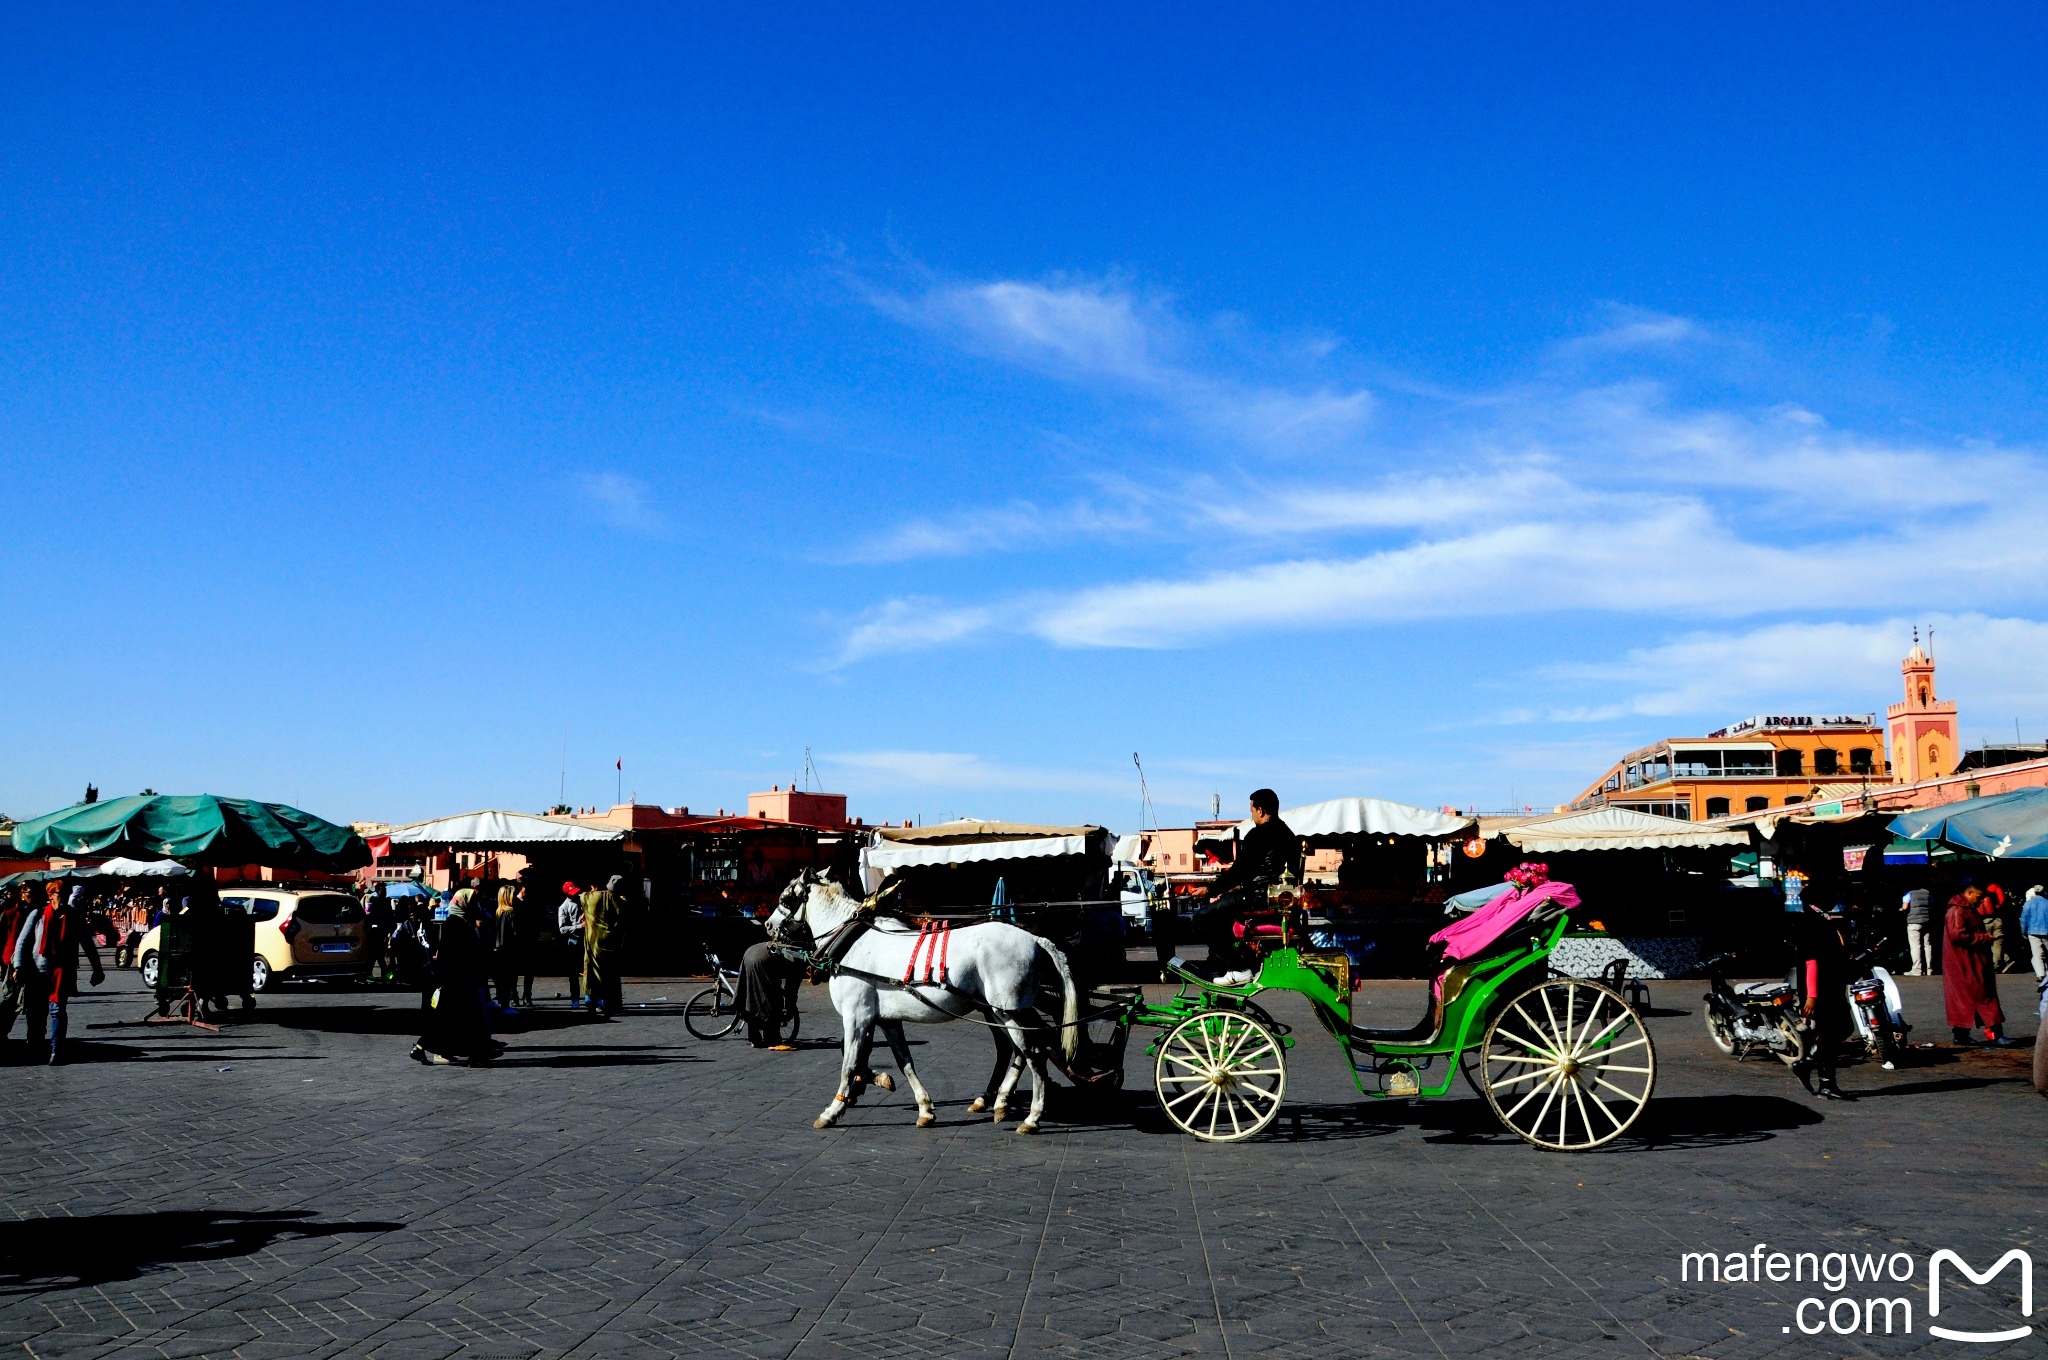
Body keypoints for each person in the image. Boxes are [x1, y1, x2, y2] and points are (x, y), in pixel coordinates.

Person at [1195, 789, 1299, 984]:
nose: (1252, 816)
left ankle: (1237, 967)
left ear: (1260, 810)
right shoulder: (1289, 835)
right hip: (1276, 899)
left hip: (1257, 898)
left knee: (1203, 916)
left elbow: (1240, 870)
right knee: (1223, 910)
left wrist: (1210, 890)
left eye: (1252, 811)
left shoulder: (1259, 834)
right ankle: (1225, 963)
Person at [13, 883, 106, 1065]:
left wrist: (97, 968)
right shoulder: (38, 915)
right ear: (50, 895)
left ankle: (56, 1049)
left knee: (57, 1011)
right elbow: (22, 942)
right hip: (37, 971)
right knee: (35, 1012)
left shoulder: (75, 917)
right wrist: (18, 966)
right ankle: (35, 1045)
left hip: (63, 970)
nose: (61, 897)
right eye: (58, 893)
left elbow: (88, 944)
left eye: (64, 893)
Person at [410, 895, 499, 1065]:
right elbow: (451, 955)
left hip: (458, 980)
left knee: (447, 1020)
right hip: (458, 981)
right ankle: (476, 1054)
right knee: (467, 1019)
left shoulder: (459, 923)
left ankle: (421, 1047)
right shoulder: (456, 924)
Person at [1789, 900, 1854, 1100]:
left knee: (1840, 1029)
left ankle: (1809, 1065)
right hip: (1822, 991)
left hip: (1833, 988)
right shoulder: (1814, 926)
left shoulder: (1831, 927)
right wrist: (1812, 996)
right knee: (1832, 1032)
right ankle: (1823, 1080)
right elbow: (1812, 963)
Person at [1943, 881, 2007, 1045]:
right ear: (1969, 894)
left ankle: (1963, 1034)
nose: (1981, 902)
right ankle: (1994, 1033)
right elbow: (1957, 935)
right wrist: (1984, 938)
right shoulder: (1957, 911)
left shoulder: (1965, 910)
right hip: (1965, 963)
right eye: (1979, 898)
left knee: (1969, 998)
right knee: (1981, 996)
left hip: (1970, 962)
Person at [0, 883, 38, 1052]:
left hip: (32, 961)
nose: (30, 895)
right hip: (12, 960)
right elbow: (7, 939)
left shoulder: (36, 912)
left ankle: (33, 1037)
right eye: (28, 892)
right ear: (22, 894)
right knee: (10, 999)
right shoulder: (12, 914)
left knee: (26, 1000)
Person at [581, 876, 625, 1020]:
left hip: (592, 940)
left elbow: (581, 897)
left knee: (592, 971)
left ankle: (592, 1001)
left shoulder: (591, 897)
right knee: (610, 973)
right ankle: (610, 1003)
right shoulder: (619, 900)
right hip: (610, 941)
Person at [490, 883, 520, 1014]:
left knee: (500, 979)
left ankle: (503, 1002)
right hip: (509, 949)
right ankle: (506, 1005)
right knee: (509, 978)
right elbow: (515, 933)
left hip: (497, 949)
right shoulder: (511, 913)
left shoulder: (497, 912)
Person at [557, 880, 585, 1008]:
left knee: (588, 969)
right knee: (573, 972)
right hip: (573, 940)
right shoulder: (564, 907)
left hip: (585, 939)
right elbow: (562, 929)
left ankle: (591, 996)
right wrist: (580, 926)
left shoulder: (581, 900)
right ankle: (575, 998)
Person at [1901, 886, 1936, 974]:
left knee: (1915, 946)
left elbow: (1905, 907)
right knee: (1927, 945)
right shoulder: (1927, 892)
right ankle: (1929, 969)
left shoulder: (1908, 893)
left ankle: (1917, 970)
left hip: (1914, 922)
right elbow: (1932, 904)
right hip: (1926, 921)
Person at [2022, 885, 2048, 981]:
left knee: (2036, 954)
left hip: (2032, 932)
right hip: (2046, 931)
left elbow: (2024, 920)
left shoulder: (2028, 904)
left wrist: (2024, 932)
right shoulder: (2047, 903)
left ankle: (2040, 974)